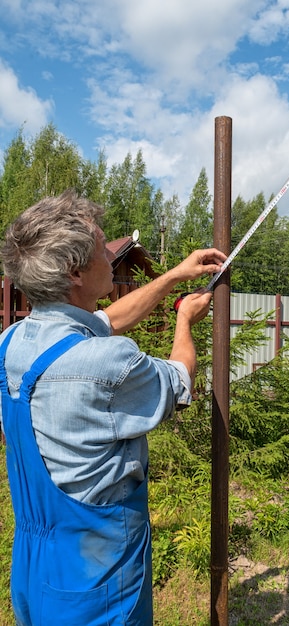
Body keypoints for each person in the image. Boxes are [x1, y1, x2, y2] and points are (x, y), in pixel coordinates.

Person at [0, 190, 226, 626]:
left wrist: (174, 276)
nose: (110, 255)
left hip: (33, 563)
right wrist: (183, 320)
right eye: (103, 249)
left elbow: (106, 320)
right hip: (98, 576)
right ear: (76, 272)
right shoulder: (109, 363)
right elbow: (180, 379)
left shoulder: (12, 343)